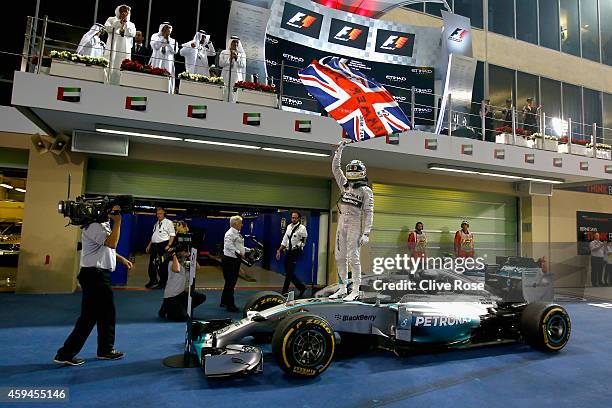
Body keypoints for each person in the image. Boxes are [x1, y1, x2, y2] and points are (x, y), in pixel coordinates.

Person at [54, 205, 133, 366]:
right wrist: (118, 222)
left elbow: (105, 248)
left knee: (103, 315)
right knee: (92, 316)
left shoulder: (100, 225)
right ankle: (66, 354)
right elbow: (111, 243)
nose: (114, 213)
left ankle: (104, 350)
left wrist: (121, 259)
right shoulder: (95, 226)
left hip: (95, 275)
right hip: (95, 276)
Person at [329, 140, 374, 301]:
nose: (353, 172)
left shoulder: (366, 190)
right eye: (351, 169)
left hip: (355, 223)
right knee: (339, 257)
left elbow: (369, 212)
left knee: (353, 257)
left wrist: (367, 232)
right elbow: (335, 168)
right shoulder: (345, 185)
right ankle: (342, 287)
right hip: (342, 222)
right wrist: (340, 150)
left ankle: (355, 289)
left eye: (356, 170)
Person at [158, 244, 206, 321]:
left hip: (181, 294)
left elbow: (197, 267)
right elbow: (177, 269)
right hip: (171, 296)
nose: (186, 253)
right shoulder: (171, 263)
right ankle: (166, 309)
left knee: (201, 297)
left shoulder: (186, 263)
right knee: (183, 318)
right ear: (179, 253)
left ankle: (179, 308)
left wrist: (190, 256)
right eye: (184, 251)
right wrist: (173, 255)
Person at [276, 211, 307, 297]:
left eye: (295, 218)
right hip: (288, 251)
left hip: (295, 252)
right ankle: (301, 287)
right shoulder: (289, 226)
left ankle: (284, 292)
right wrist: (279, 250)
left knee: (289, 273)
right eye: (292, 217)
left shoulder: (302, 228)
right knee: (288, 272)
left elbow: (303, 241)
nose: (293, 219)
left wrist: (297, 247)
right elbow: (285, 240)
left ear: (299, 218)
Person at [222, 215, 249, 312]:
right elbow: (228, 246)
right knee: (230, 283)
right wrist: (239, 252)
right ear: (236, 223)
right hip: (230, 261)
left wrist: (247, 250)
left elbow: (239, 245)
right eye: (241, 223)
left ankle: (224, 302)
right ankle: (230, 305)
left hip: (235, 260)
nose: (242, 225)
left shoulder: (237, 233)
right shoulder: (230, 233)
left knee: (229, 282)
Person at [104, 4, 136, 84]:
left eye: (126, 12)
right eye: (122, 11)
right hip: (112, 47)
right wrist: (119, 23)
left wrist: (125, 23)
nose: (124, 13)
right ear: (118, 11)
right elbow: (107, 28)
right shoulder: (111, 19)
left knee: (122, 66)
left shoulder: (131, 24)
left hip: (124, 49)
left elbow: (132, 33)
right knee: (111, 65)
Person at [145, 207, 176, 289]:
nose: (158, 215)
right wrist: (149, 245)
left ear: (164, 214)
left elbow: (172, 235)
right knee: (152, 264)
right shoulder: (156, 224)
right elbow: (154, 235)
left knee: (163, 265)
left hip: (163, 245)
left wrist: (169, 245)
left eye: (160, 213)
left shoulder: (169, 223)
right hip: (155, 246)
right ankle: (153, 280)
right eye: (157, 213)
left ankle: (162, 283)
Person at [150, 22, 177, 92]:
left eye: (168, 28)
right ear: (161, 29)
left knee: (167, 80)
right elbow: (155, 46)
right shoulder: (155, 36)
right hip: (157, 61)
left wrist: (167, 41)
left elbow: (175, 51)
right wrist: (163, 39)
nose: (167, 30)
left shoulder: (173, 40)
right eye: (165, 28)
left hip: (168, 63)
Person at [219, 36, 246, 101]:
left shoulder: (242, 54)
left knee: (234, 94)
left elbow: (243, 65)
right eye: (234, 42)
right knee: (224, 92)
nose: (235, 44)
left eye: (237, 42)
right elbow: (221, 64)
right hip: (226, 76)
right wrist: (229, 58)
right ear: (230, 43)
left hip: (236, 78)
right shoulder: (224, 52)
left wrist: (237, 59)